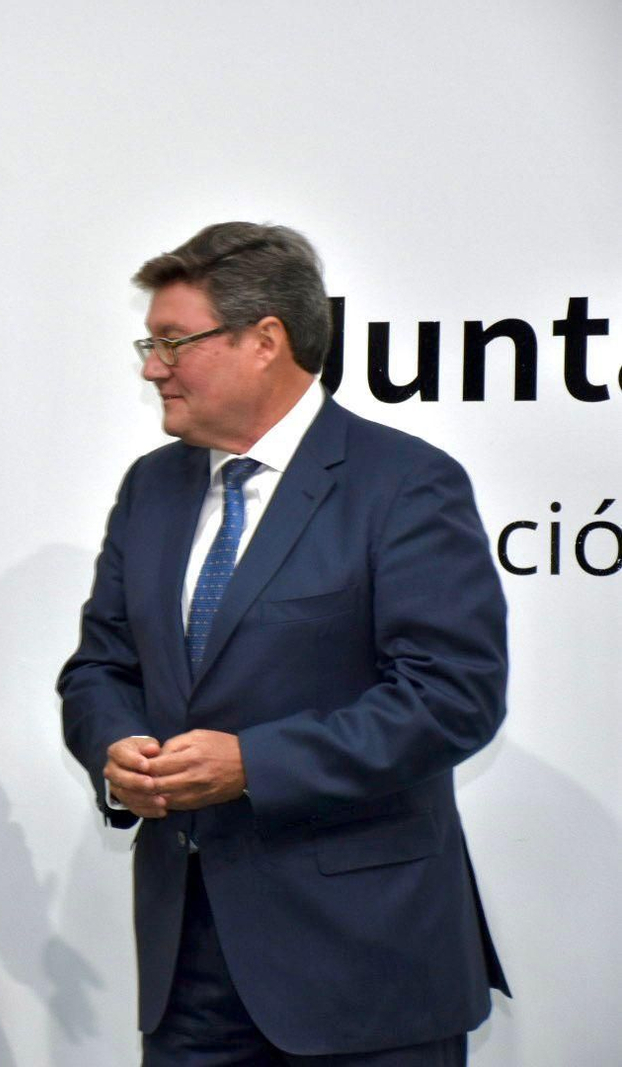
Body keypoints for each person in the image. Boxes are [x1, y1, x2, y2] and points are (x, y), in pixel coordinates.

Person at [58, 223, 509, 1065]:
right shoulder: (150, 487)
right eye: (148, 344)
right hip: (187, 967)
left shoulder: (405, 484)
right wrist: (115, 746)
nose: (152, 366)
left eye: (171, 342)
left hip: (366, 972)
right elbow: (100, 666)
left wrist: (254, 763)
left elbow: (454, 696)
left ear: (265, 340)